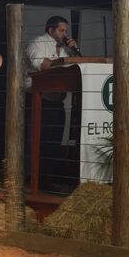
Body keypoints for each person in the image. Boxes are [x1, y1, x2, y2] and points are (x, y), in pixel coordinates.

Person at [24, 16, 81, 191]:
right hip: (38, 100)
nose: (65, 34)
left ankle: (45, 180)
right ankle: (29, 180)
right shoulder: (38, 43)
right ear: (51, 30)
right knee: (36, 141)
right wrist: (63, 65)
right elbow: (41, 64)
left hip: (57, 102)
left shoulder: (65, 50)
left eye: (66, 31)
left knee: (54, 143)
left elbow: (77, 66)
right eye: (61, 30)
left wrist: (75, 50)